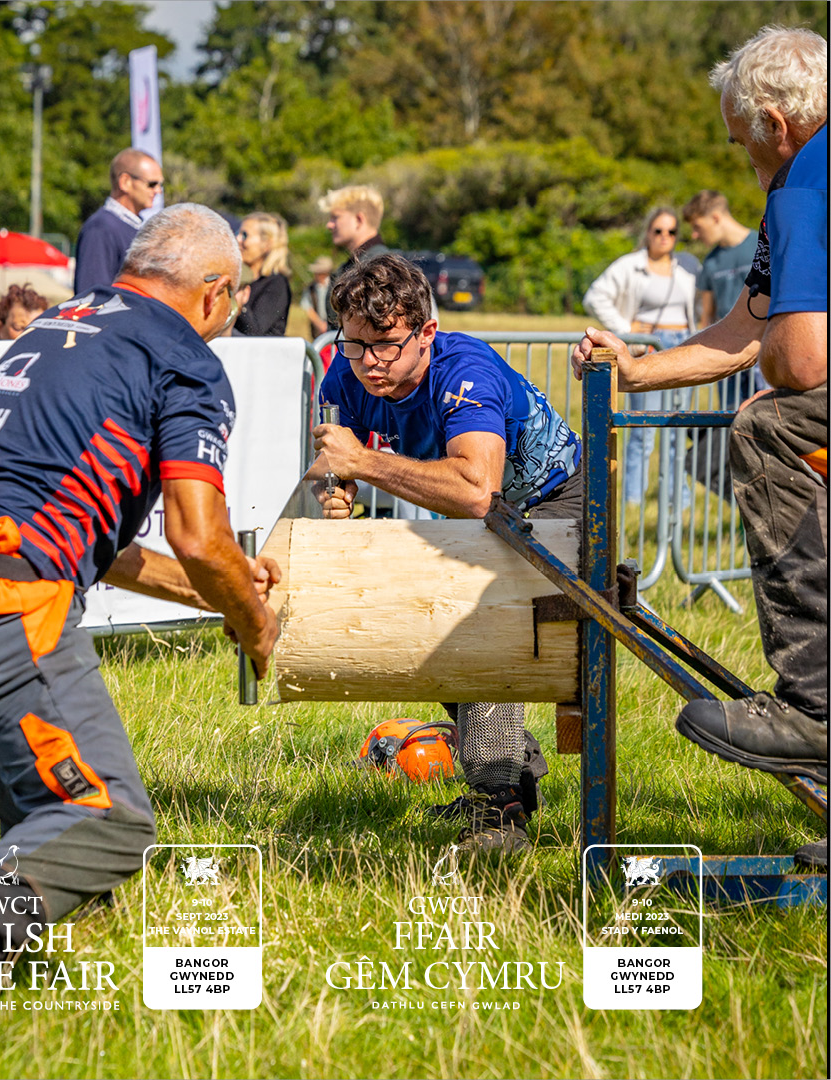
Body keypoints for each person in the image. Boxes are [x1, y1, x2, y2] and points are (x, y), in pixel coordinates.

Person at [0, 204, 280, 981]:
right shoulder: (185, 360)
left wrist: (220, 593)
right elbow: (198, 534)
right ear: (216, 293)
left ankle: (68, 922)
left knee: (42, 766)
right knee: (109, 816)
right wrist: (255, 625)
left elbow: (96, 544)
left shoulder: (66, 323)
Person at [573, 26, 827, 868]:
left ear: (773, 124)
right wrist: (638, 370)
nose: (741, 157)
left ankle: (812, 708)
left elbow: (798, 362)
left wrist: (781, 374)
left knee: (770, 426)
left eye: (737, 140)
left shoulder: (804, 180)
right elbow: (751, 323)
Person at [314, 254, 582, 855]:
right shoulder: (345, 373)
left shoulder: (465, 370)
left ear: (426, 333)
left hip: (558, 498)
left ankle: (499, 809)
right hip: (479, 509)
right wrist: (335, 489)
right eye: (354, 345)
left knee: (482, 624)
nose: (369, 362)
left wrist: (364, 463)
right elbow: (330, 464)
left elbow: (475, 489)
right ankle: (513, 772)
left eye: (385, 344)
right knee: (426, 620)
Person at [583, 207, 700, 507]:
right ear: (648, 232)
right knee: (642, 429)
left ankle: (678, 498)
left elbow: (702, 302)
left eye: (671, 231)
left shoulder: (687, 266)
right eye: (658, 230)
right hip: (648, 346)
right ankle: (634, 500)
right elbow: (594, 296)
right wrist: (626, 329)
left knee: (677, 427)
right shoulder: (630, 265)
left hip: (683, 344)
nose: (664, 237)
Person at [682, 189, 765, 408]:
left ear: (716, 218)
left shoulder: (762, 246)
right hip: (727, 354)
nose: (694, 235)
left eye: (697, 227)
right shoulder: (710, 262)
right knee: (731, 415)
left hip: (762, 351)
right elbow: (707, 317)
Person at [73, 148, 164, 295]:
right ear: (125, 182)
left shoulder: (136, 227)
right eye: (152, 184)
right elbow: (91, 297)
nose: (158, 191)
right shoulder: (101, 229)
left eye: (160, 185)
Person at [318, 185, 390, 330]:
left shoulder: (379, 266)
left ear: (359, 219)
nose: (329, 225)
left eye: (335, 217)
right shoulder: (357, 263)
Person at [234, 212, 292, 336]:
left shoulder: (276, 283)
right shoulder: (240, 278)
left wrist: (239, 304)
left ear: (266, 244)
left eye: (245, 235)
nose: (237, 239)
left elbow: (255, 330)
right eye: (238, 233)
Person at [300, 255, 334, 338]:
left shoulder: (334, 286)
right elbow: (308, 308)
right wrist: (320, 324)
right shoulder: (310, 288)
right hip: (318, 330)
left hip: (333, 327)